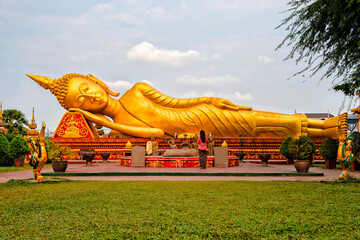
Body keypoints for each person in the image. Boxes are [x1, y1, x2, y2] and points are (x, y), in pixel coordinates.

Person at [27, 73, 348, 139]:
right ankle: (328, 132)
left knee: (253, 117)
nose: (90, 98)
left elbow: (177, 102)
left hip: (200, 114)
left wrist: (209, 99)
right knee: (256, 130)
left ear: (95, 80)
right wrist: (108, 124)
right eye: (81, 103)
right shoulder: (124, 122)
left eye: (86, 89)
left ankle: (326, 126)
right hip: (198, 130)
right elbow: (155, 133)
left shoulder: (137, 90)